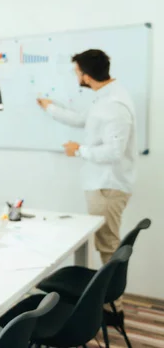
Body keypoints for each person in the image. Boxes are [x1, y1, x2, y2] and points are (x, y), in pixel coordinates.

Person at [37, 49, 136, 321]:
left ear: (86, 74)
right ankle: (107, 305)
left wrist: (79, 150)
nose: (75, 75)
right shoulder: (104, 98)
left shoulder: (115, 106)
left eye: (76, 71)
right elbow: (83, 120)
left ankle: (112, 309)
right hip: (101, 185)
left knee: (108, 247)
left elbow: (114, 151)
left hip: (108, 187)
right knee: (106, 245)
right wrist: (51, 108)